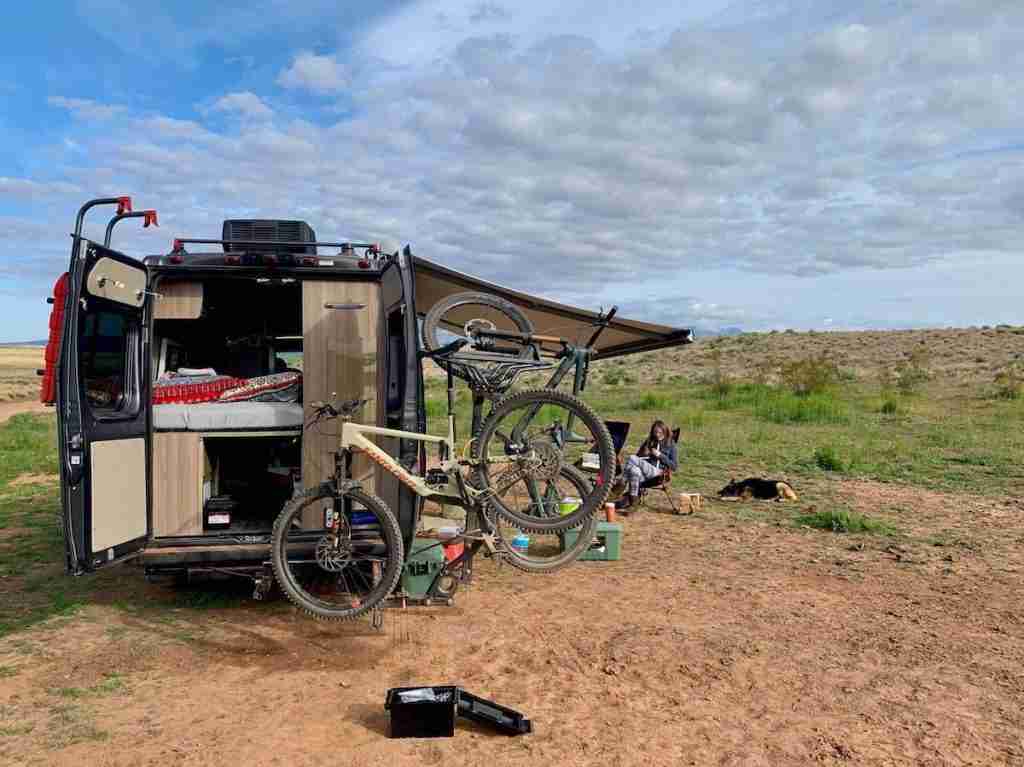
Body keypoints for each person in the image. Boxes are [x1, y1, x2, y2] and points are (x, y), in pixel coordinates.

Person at [616, 420, 677, 512]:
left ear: (665, 431)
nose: (657, 435)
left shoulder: (670, 444)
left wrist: (660, 455)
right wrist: (644, 454)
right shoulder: (650, 441)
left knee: (632, 458)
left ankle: (621, 483)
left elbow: (674, 466)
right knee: (634, 470)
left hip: (658, 473)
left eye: (660, 432)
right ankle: (633, 504)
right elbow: (638, 458)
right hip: (645, 472)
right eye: (655, 432)